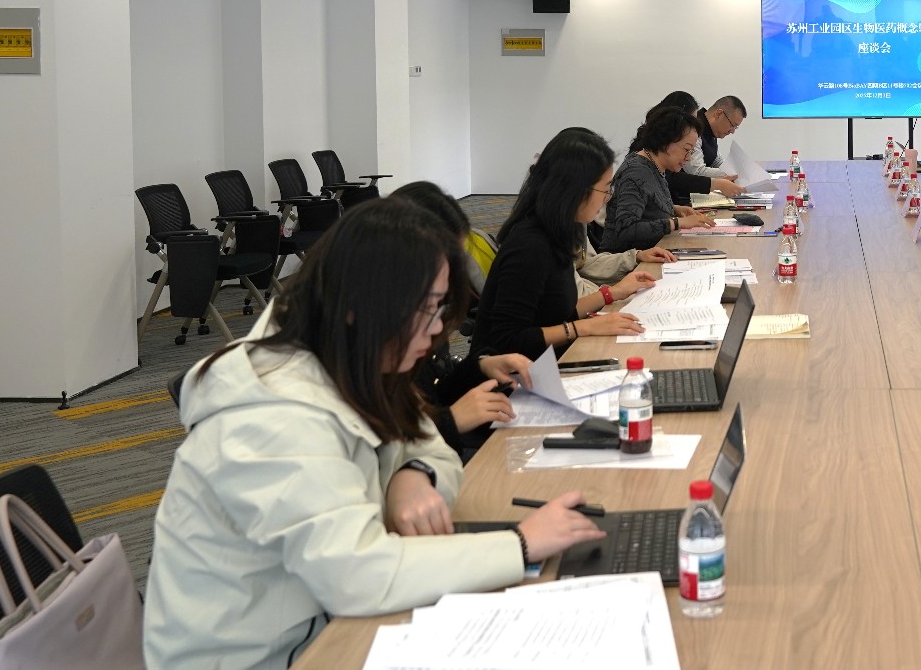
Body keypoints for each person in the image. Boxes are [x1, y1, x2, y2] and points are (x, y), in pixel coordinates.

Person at [144, 200, 607, 670]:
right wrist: (519, 545)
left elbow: (429, 442)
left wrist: (415, 472)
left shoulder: (351, 350)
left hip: (322, 616)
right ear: (360, 307)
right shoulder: (272, 414)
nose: (435, 330)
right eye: (426, 309)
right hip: (265, 655)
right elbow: (358, 575)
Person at [471, 128, 673, 365]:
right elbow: (507, 340)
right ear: (577, 190)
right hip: (519, 376)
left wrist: (613, 293)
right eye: (605, 188)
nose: (607, 198)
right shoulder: (530, 246)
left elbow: (558, 311)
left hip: (548, 361)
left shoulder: (560, 229)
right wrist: (582, 328)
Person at [388, 181, 539, 451]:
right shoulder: (368, 342)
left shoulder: (419, 308)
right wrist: (451, 421)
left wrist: (480, 367)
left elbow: (434, 391)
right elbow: (385, 454)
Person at [604, 106, 714, 251]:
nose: (689, 158)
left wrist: (675, 210)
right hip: (629, 260)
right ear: (666, 142)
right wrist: (677, 222)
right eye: (687, 149)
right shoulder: (637, 172)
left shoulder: (654, 165)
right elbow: (626, 228)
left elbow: (647, 204)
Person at [649, 91, 743, 202]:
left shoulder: (710, 132)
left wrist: (735, 171)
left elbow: (716, 160)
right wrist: (724, 180)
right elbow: (694, 172)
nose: (688, 158)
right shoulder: (642, 166)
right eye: (686, 149)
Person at [689, 95, 749, 188]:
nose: (732, 131)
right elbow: (696, 171)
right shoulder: (694, 128)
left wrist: (736, 169)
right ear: (719, 114)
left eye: (735, 128)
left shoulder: (711, 129)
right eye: (732, 125)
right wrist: (732, 174)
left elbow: (716, 160)